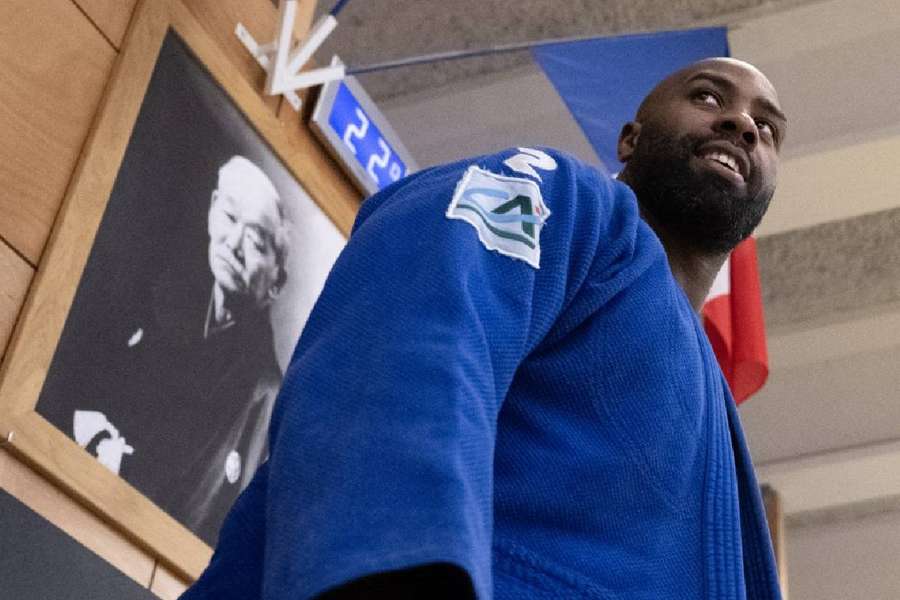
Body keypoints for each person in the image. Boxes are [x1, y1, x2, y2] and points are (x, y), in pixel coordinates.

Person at [182, 57, 787, 599]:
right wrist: (394, 565)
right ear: (630, 139)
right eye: (709, 97)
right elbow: (413, 339)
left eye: (768, 128)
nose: (741, 125)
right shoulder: (564, 197)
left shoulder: (714, 401)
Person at [39, 155, 291, 545]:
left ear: (276, 281)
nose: (234, 244)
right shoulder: (161, 293)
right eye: (228, 217)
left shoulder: (264, 391)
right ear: (210, 211)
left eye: (257, 241)